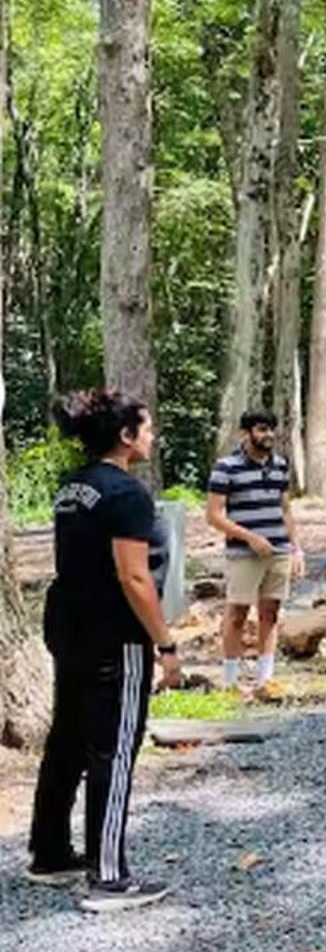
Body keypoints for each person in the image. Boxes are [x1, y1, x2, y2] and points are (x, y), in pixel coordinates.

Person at [27, 388, 181, 911]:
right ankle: (109, 877)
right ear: (125, 435)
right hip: (115, 636)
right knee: (114, 749)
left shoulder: (73, 488)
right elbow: (134, 577)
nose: (153, 435)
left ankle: (49, 854)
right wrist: (166, 643)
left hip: (69, 629)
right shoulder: (126, 494)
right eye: (148, 426)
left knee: (67, 739)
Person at [206, 410, 304, 700]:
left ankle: (266, 680)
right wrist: (249, 538)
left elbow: (285, 509)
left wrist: (296, 547)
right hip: (243, 552)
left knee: (270, 613)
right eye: (262, 429)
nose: (269, 435)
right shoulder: (226, 467)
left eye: (271, 429)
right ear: (245, 434)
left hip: (278, 550)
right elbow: (213, 515)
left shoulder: (280, 466)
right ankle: (230, 681)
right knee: (237, 613)